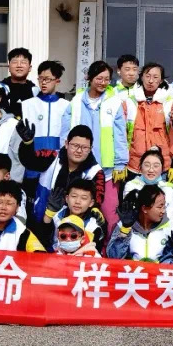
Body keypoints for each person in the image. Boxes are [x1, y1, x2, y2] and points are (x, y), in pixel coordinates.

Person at [62, 60, 128, 226]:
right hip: (79, 167)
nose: (103, 83)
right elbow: (65, 131)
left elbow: (120, 135)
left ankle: (109, 244)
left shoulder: (114, 102)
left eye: (107, 79)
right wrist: (63, 155)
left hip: (106, 169)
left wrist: (120, 163)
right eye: (99, 78)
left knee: (110, 215)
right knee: (77, 212)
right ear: (89, 78)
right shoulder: (76, 101)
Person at [21, 124, 104, 222]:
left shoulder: (95, 171)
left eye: (85, 147)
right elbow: (29, 161)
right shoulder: (53, 156)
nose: (79, 151)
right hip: (41, 215)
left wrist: (95, 209)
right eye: (75, 145)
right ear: (66, 144)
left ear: (90, 148)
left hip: (72, 224)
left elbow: (97, 199)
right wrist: (27, 143)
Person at [122, 62, 173, 182]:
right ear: (141, 77)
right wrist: (120, 162)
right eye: (147, 76)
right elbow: (121, 133)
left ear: (161, 80)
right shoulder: (130, 102)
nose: (151, 81)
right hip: (134, 165)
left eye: (155, 77)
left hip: (162, 165)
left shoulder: (169, 103)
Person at [18, 60, 68, 193]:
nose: (43, 83)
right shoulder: (28, 105)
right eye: (40, 79)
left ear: (57, 81)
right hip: (33, 162)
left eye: (47, 79)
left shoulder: (67, 106)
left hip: (57, 161)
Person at [30, 178, 107, 251]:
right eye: (74, 196)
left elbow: (94, 251)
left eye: (83, 198)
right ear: (67, 198)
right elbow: (41, 241)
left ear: (91, 203)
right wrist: (48, 215)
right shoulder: (56, 214)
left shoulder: (94, 226)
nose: (77, 201)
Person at [106, 184, 173, 263]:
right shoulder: (124, 225)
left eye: (164, 206)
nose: (163, 211)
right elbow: (113, 257)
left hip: (157, 271)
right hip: (132, 270)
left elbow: (170, 260)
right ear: (144, 209)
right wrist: (124, 231)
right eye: (159, 207)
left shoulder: (168, 228)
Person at [121, 146, 173, 224]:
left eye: (156, 166)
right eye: (147, 165)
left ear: (162, 169)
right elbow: (129, 214)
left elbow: (172, 219)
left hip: (162, 229)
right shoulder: (131, 186)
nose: (151, 170)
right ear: (140, 167)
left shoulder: (168, 190)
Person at [0, 47, 36, 118]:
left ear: (30, 68)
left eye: (23, 62)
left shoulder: (35, 91)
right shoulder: (0, 88)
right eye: (15, 62)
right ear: (9, 67)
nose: (19, 65)